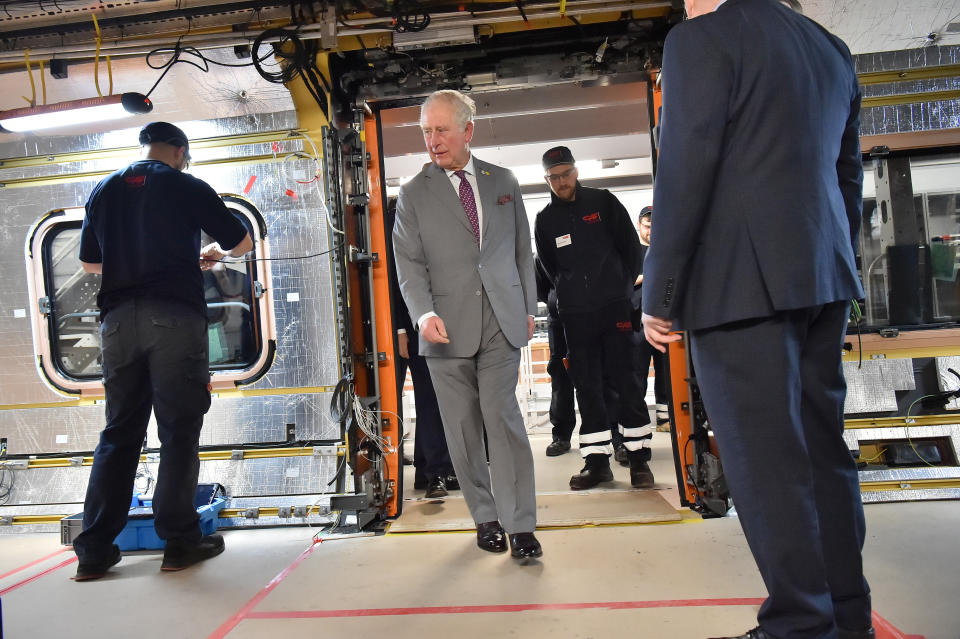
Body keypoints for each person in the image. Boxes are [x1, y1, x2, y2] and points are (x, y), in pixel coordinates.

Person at [641, 2, 870, 638]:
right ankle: (849, 619)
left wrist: (660, 290)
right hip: (821, 277)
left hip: (740, 285)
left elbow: (686, 166)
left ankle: (801, 626)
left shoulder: (699, 41)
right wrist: (832, 260)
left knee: (768, 468)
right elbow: (847, 175)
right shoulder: (829, 49)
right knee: (824, 455)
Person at [73, 122, 253, 581]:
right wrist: (204, 253)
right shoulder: (185, 184)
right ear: (180, 152)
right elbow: (240, 242)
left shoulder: (104, 190)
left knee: (119, 432)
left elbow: (91, 262)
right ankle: (179, 542)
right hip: (172, 318)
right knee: (177, 430)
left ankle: (93, 549)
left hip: (116, 323)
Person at [392, 90, 542, 560]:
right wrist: (423, 313)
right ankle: (486, 516)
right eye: (426, 132)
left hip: (500, 319)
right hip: (445, 328)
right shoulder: (414, 194)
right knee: (462, 428)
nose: (432, 141)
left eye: (441, 130)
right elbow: (408, 264)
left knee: (504, 419)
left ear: (467, 131)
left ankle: (521, 525)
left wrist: (529, 307)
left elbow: (522, 250)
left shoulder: (504, 181)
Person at [534, 146, 654, 490]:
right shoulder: (546, 219)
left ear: (576, 171)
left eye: (566, 173)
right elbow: (550, 267)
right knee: (586, 386)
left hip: (614, 308)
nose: (561, 181)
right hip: (576, 315)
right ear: (547, 179)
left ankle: (637, 460)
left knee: (625, 381)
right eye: (554, 177)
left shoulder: (603, 202)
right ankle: (597, 462)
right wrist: (572, 295)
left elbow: (632, 250)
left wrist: (617, 288)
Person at [387, 199, 458, 500]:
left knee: (431, 398)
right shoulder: (393, 222)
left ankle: (429, 470)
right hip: (405, 327)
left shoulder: (436, 219)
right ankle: (434, 471)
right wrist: (401, 330)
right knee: (415, 400)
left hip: (430, 323)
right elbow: (394, 280)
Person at [634, 206, 670, 431]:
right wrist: (650, 276)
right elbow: (624, 280)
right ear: (639, 225)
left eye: (655, 225)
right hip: (636, 322)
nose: (651, 230)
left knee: (665, 373)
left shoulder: (665, 252)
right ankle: (638, 421)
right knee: (637, 373)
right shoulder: (631, 251)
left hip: (663, 320)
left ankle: (665, 419)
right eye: (647, 225)